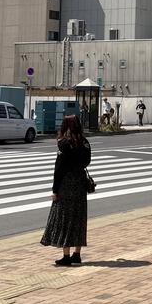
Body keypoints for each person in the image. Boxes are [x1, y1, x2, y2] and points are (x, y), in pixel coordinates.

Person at [41, 114, 91, 266]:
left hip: (66, 184)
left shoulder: (64, 143)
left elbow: (59, 169)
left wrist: (55, 190)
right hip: (80, 183)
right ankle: (77, 254)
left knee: (65, 218)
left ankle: (66, 256)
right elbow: (87, 162)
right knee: (79, 218)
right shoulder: (84, 142)